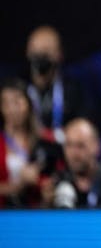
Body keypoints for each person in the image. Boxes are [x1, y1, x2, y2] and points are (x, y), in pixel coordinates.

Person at [42, 118, 101, 209]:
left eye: (80, 146)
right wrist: (47, 205)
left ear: (96, 146)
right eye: (69, 145)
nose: (74, 153)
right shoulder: (57, 184)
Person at [0, 78, 64, 208]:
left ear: (29, 104)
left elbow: (60, 173)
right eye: (6, 103)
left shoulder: (46, 141)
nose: (12, 109)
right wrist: (17, 186)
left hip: (38, 212)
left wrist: (47, 186)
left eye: (17, 101)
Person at [25, 25, 93, 142]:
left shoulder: (74, 91)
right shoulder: (19, 88)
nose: (40, 57)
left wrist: (49, 135)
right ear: (28, 52)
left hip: (63, 152)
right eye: (36, 51)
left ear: (59, 54)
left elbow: (83, 128)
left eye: (46, 52)